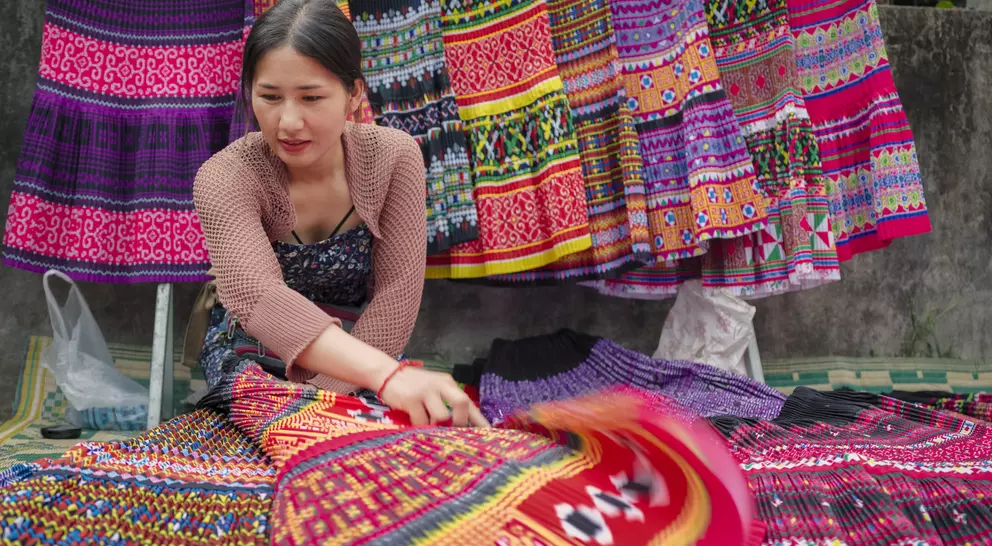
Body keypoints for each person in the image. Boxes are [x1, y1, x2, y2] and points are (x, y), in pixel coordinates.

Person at [193, 0, 487, 427]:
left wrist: (327, 396)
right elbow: (256, 296)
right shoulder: (224, 176)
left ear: (354, 95)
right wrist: (381, 379)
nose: (288, 122)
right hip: (253, 355)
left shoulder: (394, 158)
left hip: (364, 354)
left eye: (311, 97)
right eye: (270, 97)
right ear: (249, 94)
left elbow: (396, 297)